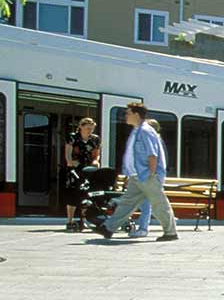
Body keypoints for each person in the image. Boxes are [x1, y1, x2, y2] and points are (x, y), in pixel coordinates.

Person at [92, 102, 178, 242]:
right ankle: (108, 228)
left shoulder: (145, 131)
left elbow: (152, 154)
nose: (125, 115)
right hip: (137, 176)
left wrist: (151, 174)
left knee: (159, 204)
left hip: (147, 175)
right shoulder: (137, 130)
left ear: (136, 115)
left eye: (128, 113)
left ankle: (171, 232)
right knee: (127, 203)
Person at [128, 118, 169, 238]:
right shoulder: (156, 140)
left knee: (146, 202)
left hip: (150, 175)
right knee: (146, 202)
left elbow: (151, 160)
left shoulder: (152, 141)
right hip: (149, 175)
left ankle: (143, 228)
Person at [64, 117, 100, 231]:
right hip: (75, 168)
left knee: (86, 194)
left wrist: (96, 161)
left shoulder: (95, 139)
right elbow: (68, 154)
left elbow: (96, 154)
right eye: (88, 128)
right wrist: (70, 162)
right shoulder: (72, 137)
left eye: (92, 129)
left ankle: (83, 220)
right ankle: (69, 221)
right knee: (73, 193)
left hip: (88, 168)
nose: (90, 131)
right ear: (81, 127)